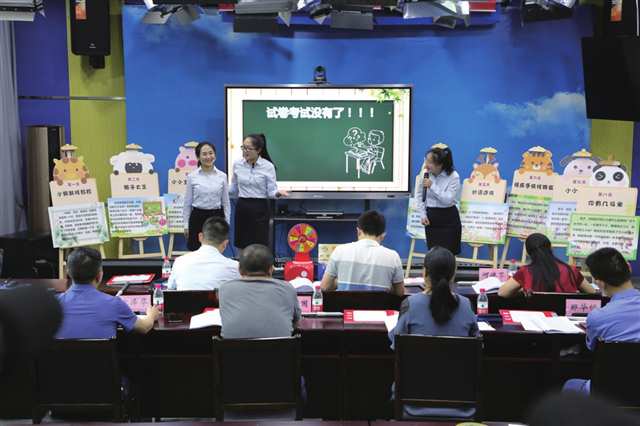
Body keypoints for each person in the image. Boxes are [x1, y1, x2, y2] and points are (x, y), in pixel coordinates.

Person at [388, 246, 479, 419]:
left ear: (424, 272)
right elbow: (477, 346)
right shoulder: (466, 305)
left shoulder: (411, 304)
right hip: (461, 405)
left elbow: (396, 345)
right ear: (453, 274)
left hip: (412, 404)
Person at [563, 247, 640, 394]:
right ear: (629, 269)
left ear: (600, 283)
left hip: (609, 391)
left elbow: (592, 349)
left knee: (570, 385)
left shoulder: (598, 317)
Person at [56, 247, 160, 339]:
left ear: (68, 272)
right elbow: (144, 327)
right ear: (99, 275)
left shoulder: (53, 304)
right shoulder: (114, 303)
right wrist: (151, 315)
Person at [219, 244, 300, 339]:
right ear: (271, 269)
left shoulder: (225, 288)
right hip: (280, 348)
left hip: (233, 348)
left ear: (239, 269)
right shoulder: (287, 288)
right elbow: (296, 321)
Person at [320, 210, 404, 295]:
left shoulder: (340, 251)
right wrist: (386, 287)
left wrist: (340, 282)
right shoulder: (393, 256)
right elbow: (400, 293)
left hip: (345, 304)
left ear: (358, 231)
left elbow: (324, 287)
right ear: (383, 235)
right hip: (379, 304)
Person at [229, 134, 288, 250]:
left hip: (260, 208)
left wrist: (278, 193)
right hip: (242, 207)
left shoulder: (268, 166)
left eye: (248, 148)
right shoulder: (237, 164)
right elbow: (233, 189)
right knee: (242, 243)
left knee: (259, 243)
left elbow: (271, 192)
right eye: (243, 147)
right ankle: (242, 261)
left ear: (258, 150)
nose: (245, 151)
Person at [498, 233, 596, 297]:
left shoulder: (525, 271)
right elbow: (592, 292)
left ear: (527, 253)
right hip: (565, 318)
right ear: (551, 248)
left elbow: (502, 293)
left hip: (535, 317)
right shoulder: (572, 270)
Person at [169, 217, 240, 291]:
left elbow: (170, 288)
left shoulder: (179, 262)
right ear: (225, 243)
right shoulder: (235, 267)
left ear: (200, 237)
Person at [415, 144, 462, 254]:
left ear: (440, 165)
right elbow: (419, 195)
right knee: (433, 253)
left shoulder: (454, 176)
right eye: (426, 160)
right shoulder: (425, 173)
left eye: (429, 162)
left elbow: (448, 200)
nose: (426, 165)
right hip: (431, 218)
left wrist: (432, 186)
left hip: (448, 218)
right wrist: (423, 214)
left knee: (449, 254)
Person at [183, 142, 231, 251]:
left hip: (216, 217)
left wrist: (226, 223)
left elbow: (226, 203)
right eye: (204, 154)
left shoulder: (222, 176)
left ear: (215, 155)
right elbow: (187, 203)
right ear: (198, 157)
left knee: (215, 251)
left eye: (211, 153)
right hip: (197, 217)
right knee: (196, 251)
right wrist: (185, 225)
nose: (208, 157)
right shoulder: (192, 177)